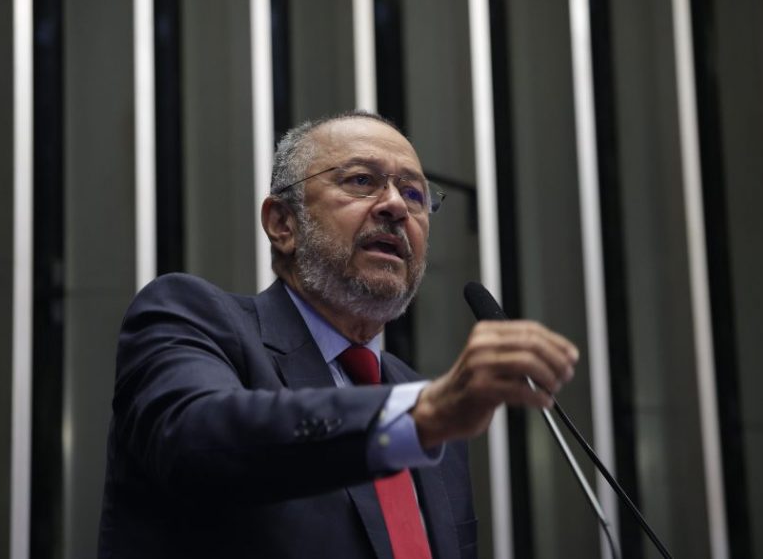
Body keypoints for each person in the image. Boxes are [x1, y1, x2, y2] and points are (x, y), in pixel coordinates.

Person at [97, 111, 578, 559]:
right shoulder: (194, 317)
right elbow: (197, 441)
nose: (395, 206)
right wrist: (421, 416)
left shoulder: (431, 414)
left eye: (414, 194)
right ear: (283, 223)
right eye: (361, 180)